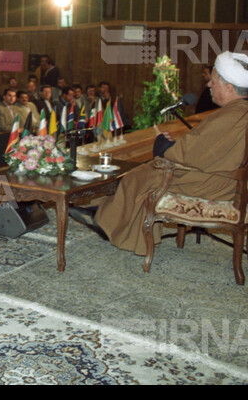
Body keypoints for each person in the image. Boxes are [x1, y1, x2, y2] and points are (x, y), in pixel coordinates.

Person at [94, 52, 248, 256]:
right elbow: (208, 149)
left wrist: (162, 145)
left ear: (228, 87)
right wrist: (174, 146)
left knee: (140, 176)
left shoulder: (232, 116)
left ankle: (111, 226)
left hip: (216, 184)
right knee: (147, 170)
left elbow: (191, 153)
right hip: (230, 180)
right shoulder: (239, 111)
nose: (209, 85)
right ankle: (106, 214)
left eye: (213, 80)